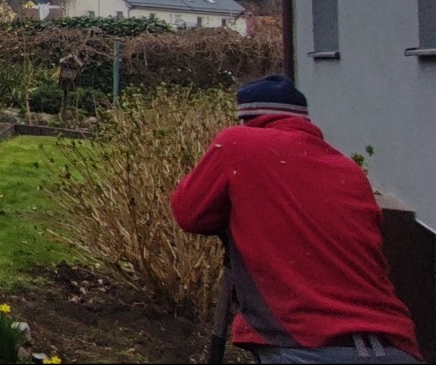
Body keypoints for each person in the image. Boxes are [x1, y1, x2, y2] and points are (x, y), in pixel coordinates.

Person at [171, 75, 420, 364]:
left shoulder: (238, 143)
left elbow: (189, 213)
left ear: (247, 117)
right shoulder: (348, 169)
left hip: (303, 345)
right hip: (393, 346)